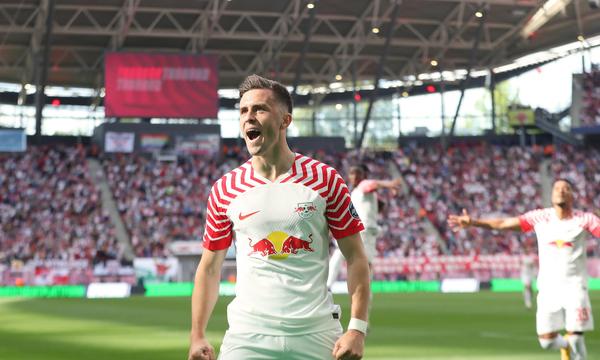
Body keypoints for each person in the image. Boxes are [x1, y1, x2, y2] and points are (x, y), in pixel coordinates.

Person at [188, 74, 371, 360]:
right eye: (243, 111)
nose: (249, 117)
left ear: (285, 121)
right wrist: (197, 334)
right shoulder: (225, 189)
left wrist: (357, 329)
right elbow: (209, 268)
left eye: (259, 109)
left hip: (317, 334)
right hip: (247, 337)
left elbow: (356, 257)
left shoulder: (325, 179)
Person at [448, 179, 600, 360]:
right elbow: (504, 223)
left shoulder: (585, 219)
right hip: (548, 288)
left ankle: (573, 345)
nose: (561, 191)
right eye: (557, 188)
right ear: (551, 195)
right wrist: (474, 222)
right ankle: (564, 345)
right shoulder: (540, 217)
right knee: (547, 341)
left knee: (576, 337)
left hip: (575, 287)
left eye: (566, 188)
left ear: (572, 195)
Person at [327, 164, 403, 289]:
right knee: (343, 256)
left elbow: (372, 185)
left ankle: (335, 285)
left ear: (363, 176)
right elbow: (379, 205)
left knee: (347, 257)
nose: (355, 177)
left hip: (364, 230)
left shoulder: (363, 185)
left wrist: (389, 185)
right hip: (360, 230)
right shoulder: (356, 193)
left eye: (357, 174)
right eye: (352, 174)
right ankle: (360, 289)